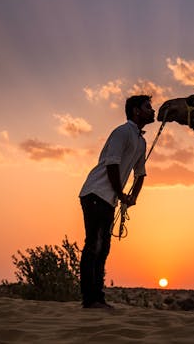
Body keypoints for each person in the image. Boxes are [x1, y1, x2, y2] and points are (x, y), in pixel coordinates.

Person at [78, 94, 155, 309]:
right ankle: (89, 298)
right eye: (148, 107)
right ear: (136, 111)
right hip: (96, 192)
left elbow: (140, 174)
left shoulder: (141, 141)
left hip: (109, 198)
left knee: (103, 248)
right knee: (94, 245)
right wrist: (121, 194)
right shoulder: (122, 132)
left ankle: (97, 297)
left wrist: (133, 198)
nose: (152, 111)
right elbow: (112, 164)